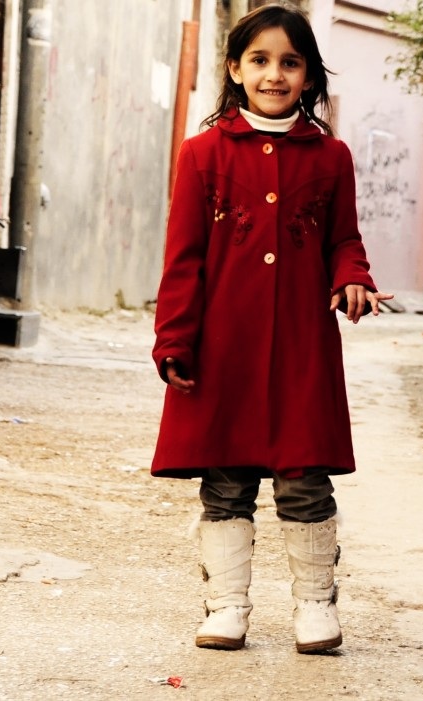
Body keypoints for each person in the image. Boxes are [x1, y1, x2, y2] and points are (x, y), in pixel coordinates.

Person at [150, 3, 393, 654]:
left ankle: (315, 606)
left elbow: (344, 238)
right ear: (235, 69)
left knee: (305, 476)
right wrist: (173, 337)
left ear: (311, 76)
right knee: (225, 478)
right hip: (221, 344)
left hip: (300, 346)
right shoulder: (202, 156)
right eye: (259, 60)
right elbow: (183, 257)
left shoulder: (332, 157)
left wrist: (353, 278)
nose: (275, 74)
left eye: (291, 62)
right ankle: (226, 605)